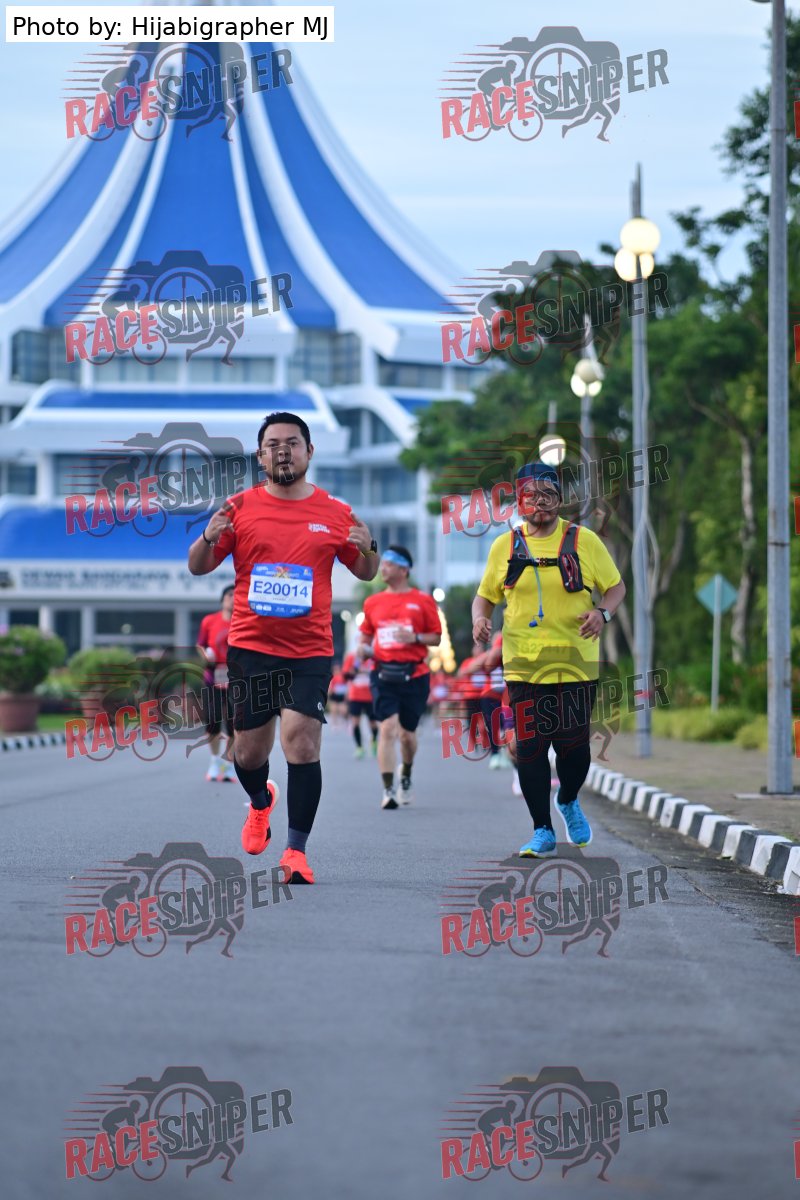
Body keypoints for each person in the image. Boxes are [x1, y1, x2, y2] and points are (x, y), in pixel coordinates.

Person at [188, 411, 378, 883]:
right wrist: (208, 536)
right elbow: (198, 566)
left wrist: (369, 547)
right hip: (251, 648)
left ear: (309, 451)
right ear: (260, 456)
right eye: (273, 445)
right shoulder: (239, 508)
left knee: (301, 741)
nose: (283, 451)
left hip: (309, 650)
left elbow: (365, 570)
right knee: (248, 754)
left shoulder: (336, 512)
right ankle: (260, 802)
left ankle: (296, 852)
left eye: (292, 443)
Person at [472, 461, 626, 856]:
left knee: (574, 748)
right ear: (519, 501)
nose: (539, 503)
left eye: (548, 495)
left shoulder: (584, 541)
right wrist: (479, 620)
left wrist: (602, 614)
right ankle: (542, 829)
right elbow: (485, 597)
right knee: (530, 746)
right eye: (531, 496)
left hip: (576, 662)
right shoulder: (504, 546)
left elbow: (615, 588)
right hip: (523, 664)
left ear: (559, 499)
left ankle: (568, 799)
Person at [357, 546, 441, 809]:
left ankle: (406, 772)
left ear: (404, 569)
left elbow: (436, 638)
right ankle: (388, 789)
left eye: (389, 564)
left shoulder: (423, 600)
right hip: (382, 673)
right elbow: (365, 637)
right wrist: (362, 648)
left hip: (414, 674)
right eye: (382, 563)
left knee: (407, 735)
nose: (383, 568)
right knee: (387, 728)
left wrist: (414, 637)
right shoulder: (373, 602)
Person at [196, 585, 235, 782]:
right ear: (222, 599)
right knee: (213, 721)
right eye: (229, 594)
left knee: (234, 723)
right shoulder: (209, 621)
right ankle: (214, 761)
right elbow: (200, 645)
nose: (233, 598)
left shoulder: (244, 621)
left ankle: (228, 764)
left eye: (237, 595)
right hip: (213, 676)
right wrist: (206, 656)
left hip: (236, 678)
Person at [341, 646, 378, 758]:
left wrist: (367, 671)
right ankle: (359, 747)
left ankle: (374, 740)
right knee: (355, 722)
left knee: (373, 723)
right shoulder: (352, 657)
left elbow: (378, 674)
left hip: (370, 696)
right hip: (355, 695)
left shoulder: (373, 657)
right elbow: (346, 676)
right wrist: (357, 669)